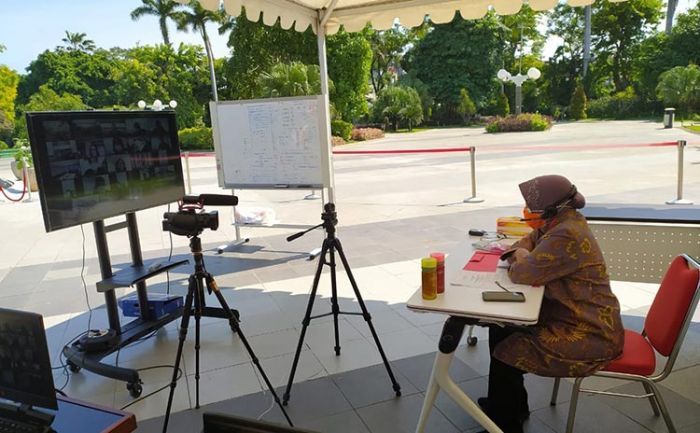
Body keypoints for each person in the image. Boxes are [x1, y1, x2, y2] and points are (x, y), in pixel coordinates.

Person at [479, 175, 625, 433]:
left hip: (590, 333)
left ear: (549, 208)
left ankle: (506, 425)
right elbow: (524, 244)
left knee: (506, 352)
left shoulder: (566, 233)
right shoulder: (563, 221)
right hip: (575, 317)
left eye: (532, 208)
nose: (528, 212)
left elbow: (522, 272)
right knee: (500, 327)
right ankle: (508, 407)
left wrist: (521, 256)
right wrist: (522, 254)